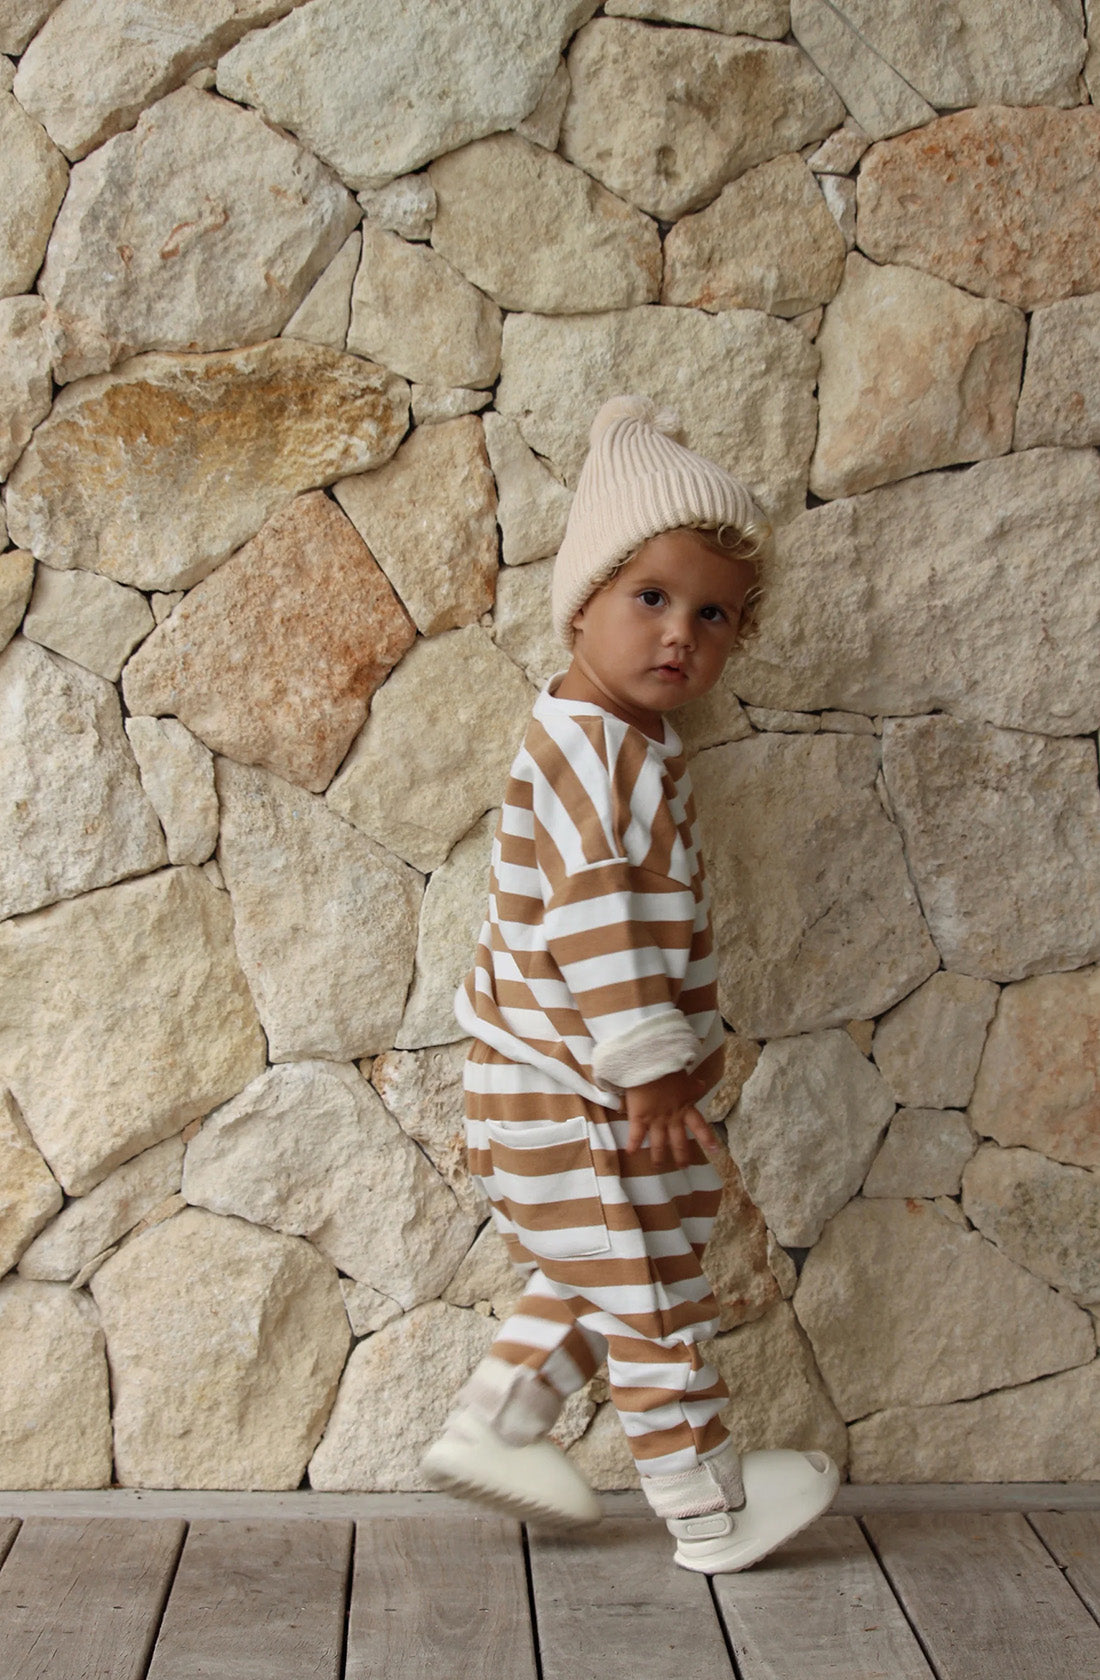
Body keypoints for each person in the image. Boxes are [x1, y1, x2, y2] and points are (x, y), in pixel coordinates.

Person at [422, 395, 839, 1573]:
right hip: (575, 1086)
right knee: (653, 1298)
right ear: (581, 607)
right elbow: (595, 920)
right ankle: (708, 1512)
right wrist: (655, 1076)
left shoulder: (622, 739)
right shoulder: (589, 748)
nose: (679, 635)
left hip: (562, 1083)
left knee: (605, 1266)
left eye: (713, 616)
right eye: (648, 598)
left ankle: (496, 1427)